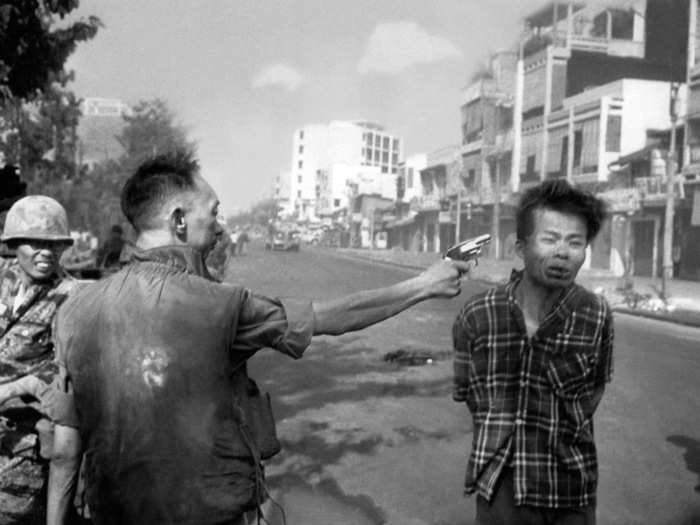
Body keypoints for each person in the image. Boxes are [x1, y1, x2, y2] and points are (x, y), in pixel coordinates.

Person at [46, 151, 471, 525]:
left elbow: (66, 447)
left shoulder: (74, 311)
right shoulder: (221, 306)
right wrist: (425, 284)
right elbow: (336, 316)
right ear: (178, 220)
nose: (220, 227)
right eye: (212, 214)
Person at [452, 180, 613, 525]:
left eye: (575, 242)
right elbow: (468, 393)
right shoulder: (477, 315)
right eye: (550, 239)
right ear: (520, 248)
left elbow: (594, 392)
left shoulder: (596, 314)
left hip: (569, 493)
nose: (563, 252)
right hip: (499, 491)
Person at [0, 196, 78, 524]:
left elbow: (68, 371)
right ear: (15, 244)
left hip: (25, 433)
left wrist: (14, 387)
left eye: (54, 244)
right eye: (34, 243)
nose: (45, 252)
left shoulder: (72, 296)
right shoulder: (2, 280)